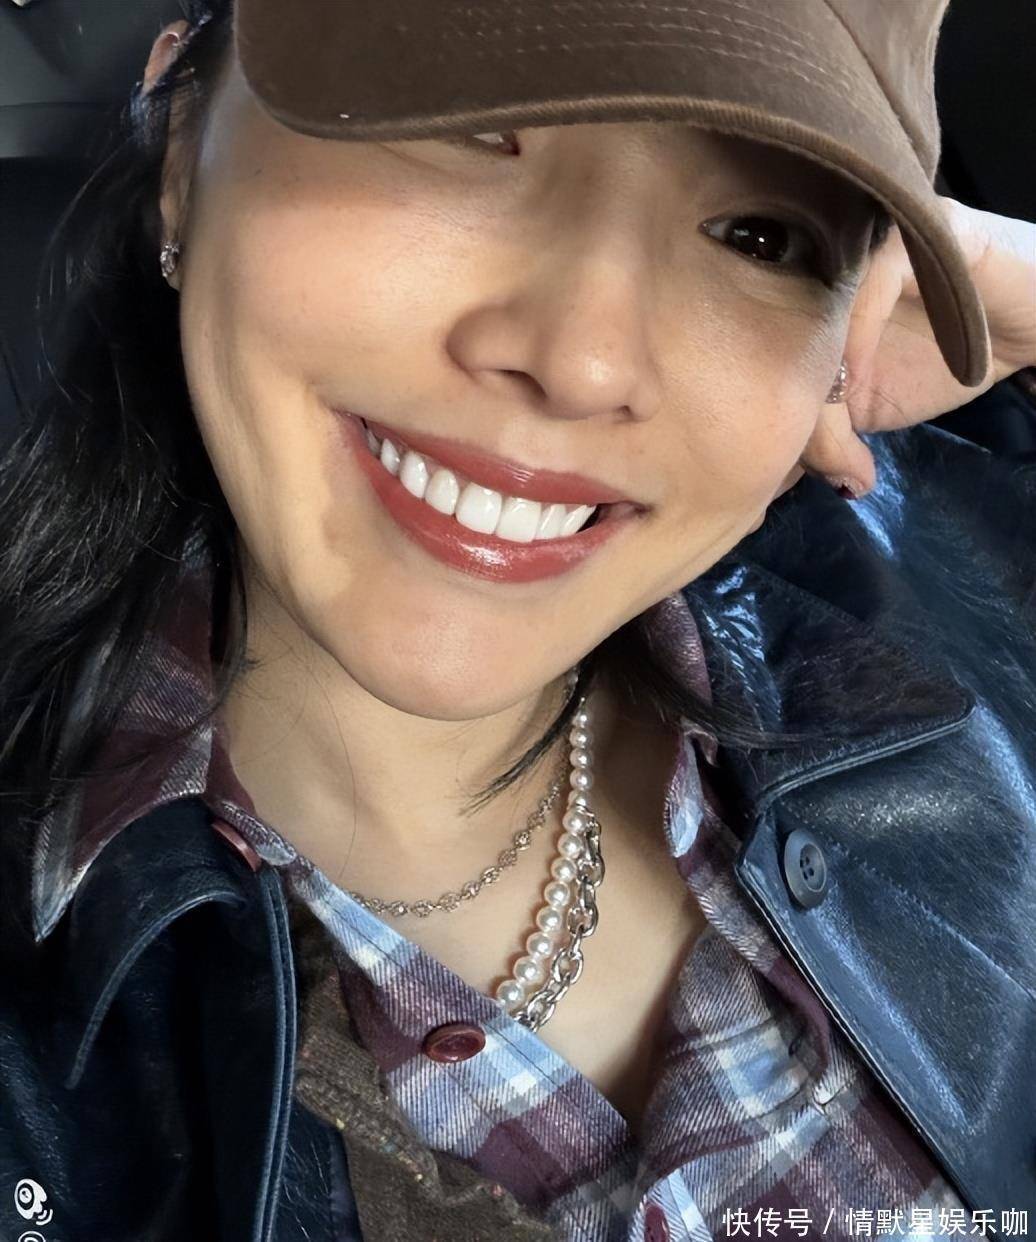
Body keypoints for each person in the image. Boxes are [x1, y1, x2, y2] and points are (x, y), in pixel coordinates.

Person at [0, 1, 1034, 1239]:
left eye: (762, 236)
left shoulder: (956, 583)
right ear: (182, 154)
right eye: (466, 126)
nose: (581, 361)